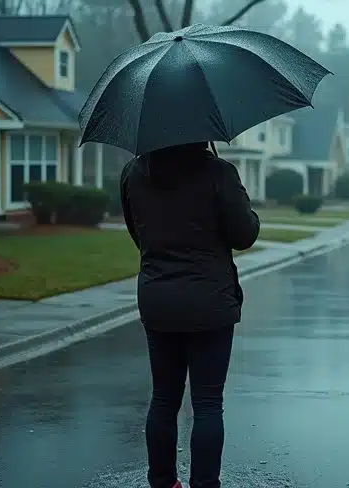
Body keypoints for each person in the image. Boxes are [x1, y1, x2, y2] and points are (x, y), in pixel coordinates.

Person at [120, 141, 260, 488]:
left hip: (158, 299)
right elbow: (245, 235)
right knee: (208, 402)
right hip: (209, 303)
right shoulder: (218, 173)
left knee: (164, 398)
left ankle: (164, 482)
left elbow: (138, 233)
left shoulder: (134, 173)